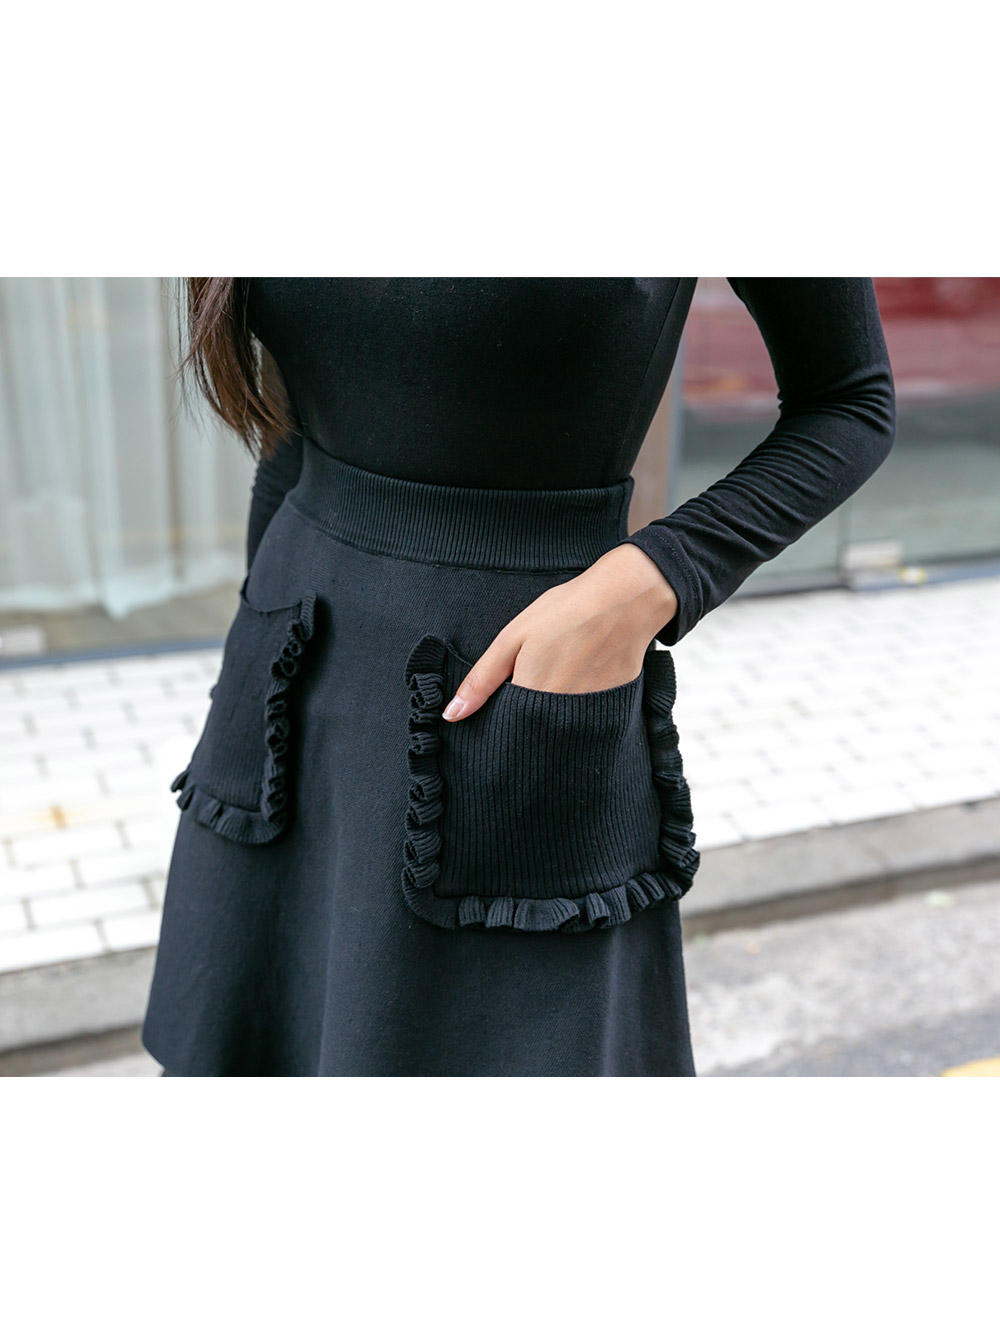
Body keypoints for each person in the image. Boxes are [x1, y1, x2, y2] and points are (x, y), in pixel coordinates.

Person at [143, 278, 896, 1077]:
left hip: (512, 703)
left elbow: (849, 400)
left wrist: (650, 579)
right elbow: (295, 417)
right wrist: (252, 632)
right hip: (287, 685)